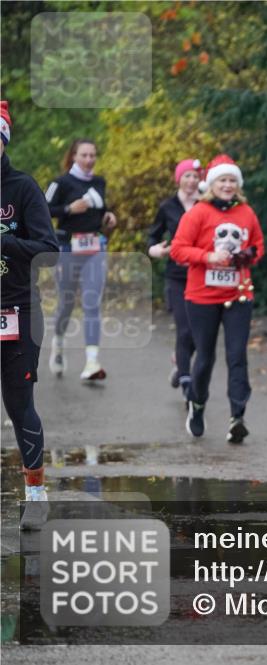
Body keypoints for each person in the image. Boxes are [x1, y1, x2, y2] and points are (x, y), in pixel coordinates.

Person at [170, 154, 265, 443]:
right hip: (202, 297)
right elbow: (178, 249)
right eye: (222, 180)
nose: (227, 185)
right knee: (206, 357)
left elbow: (258, 246)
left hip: (238, 295)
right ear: (212, 184)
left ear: (238, 184)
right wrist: (208, 256)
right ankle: (197, 405)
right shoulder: (198, 212)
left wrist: (246, 256)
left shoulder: (246, 212)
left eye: (232, 180)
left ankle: (238, 416)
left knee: (237, 356)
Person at [0, 100, 60, 529]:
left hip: (17, 310)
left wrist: (4, 243)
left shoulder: (23, 188)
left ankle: (36, 494)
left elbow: (49, 251)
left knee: (20, 405)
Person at [44, 138, 118, 380]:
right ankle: (58, 342)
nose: (89, 160)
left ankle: (92, 362)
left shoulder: (100, 182)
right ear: (73, 156)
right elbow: (41, 210)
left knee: (91, 302)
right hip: (67, 247)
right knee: (66, 303)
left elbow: (100, 210)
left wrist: (108, 217)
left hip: (95, 247)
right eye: (84, 155)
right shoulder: (60, 182)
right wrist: (68, 209)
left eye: (92, 155)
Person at [148, 158, 201, 400]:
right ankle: (187, 384)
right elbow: (153, 236)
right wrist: (155, 249)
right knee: (185, 329)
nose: (191, 180)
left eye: (195, 176)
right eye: (187, 175)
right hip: (177, 276)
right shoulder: (167, 206)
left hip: (203, 275)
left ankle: (180, 363)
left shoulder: (206, 205)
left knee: (200, 333)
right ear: (178, 178)